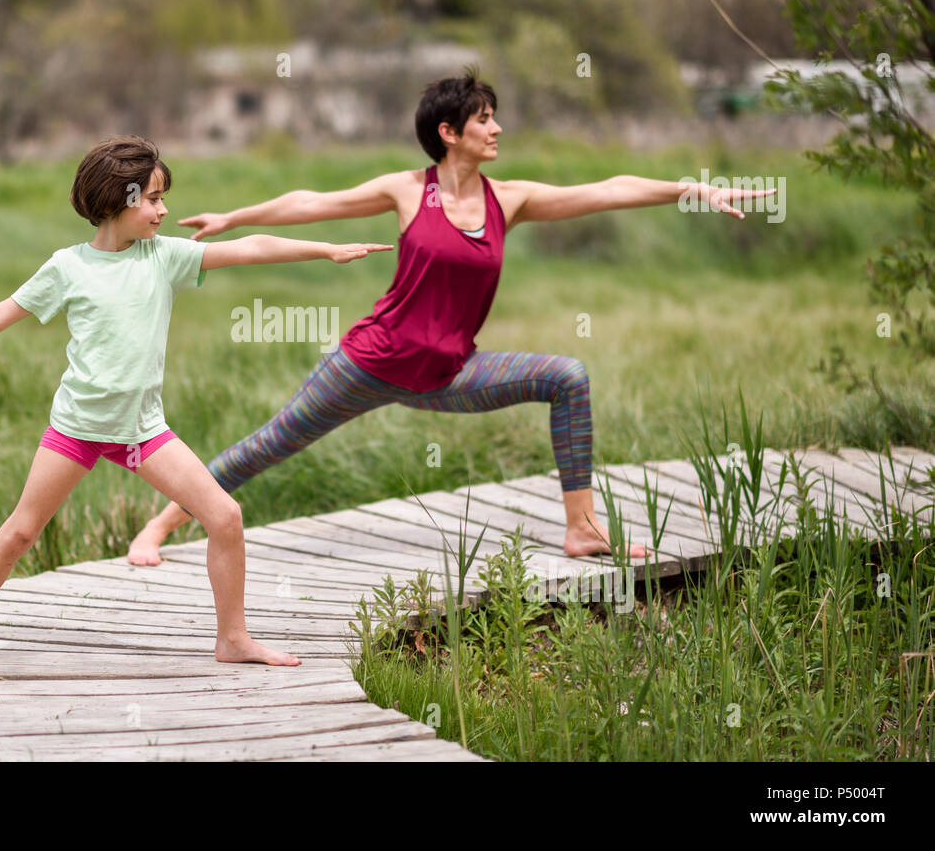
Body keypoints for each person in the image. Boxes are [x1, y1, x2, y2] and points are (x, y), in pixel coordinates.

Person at [127, 68, 771, 566]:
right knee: (269, 444)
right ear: (449, 131)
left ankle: (582, 529)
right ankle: (159, 526)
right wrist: (235, 218)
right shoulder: (409, 190)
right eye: (484, 119)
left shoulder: (510, 201)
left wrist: (695, 189)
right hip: (369, 363)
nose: (496, 129)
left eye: (495, 118)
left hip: (448, 375)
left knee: (568, 376)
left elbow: (607, 189)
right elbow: (314, 200)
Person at [0, 135, 392, 671]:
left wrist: (324, 249)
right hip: (77, 428)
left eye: (165, 198)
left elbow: (249, 248)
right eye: (154, 199)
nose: (164, 210)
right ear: (120, 199)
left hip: (142, 433)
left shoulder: (164, 258)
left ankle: (233, 640)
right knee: (22, 530)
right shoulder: (68, 267)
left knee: (226, 516)